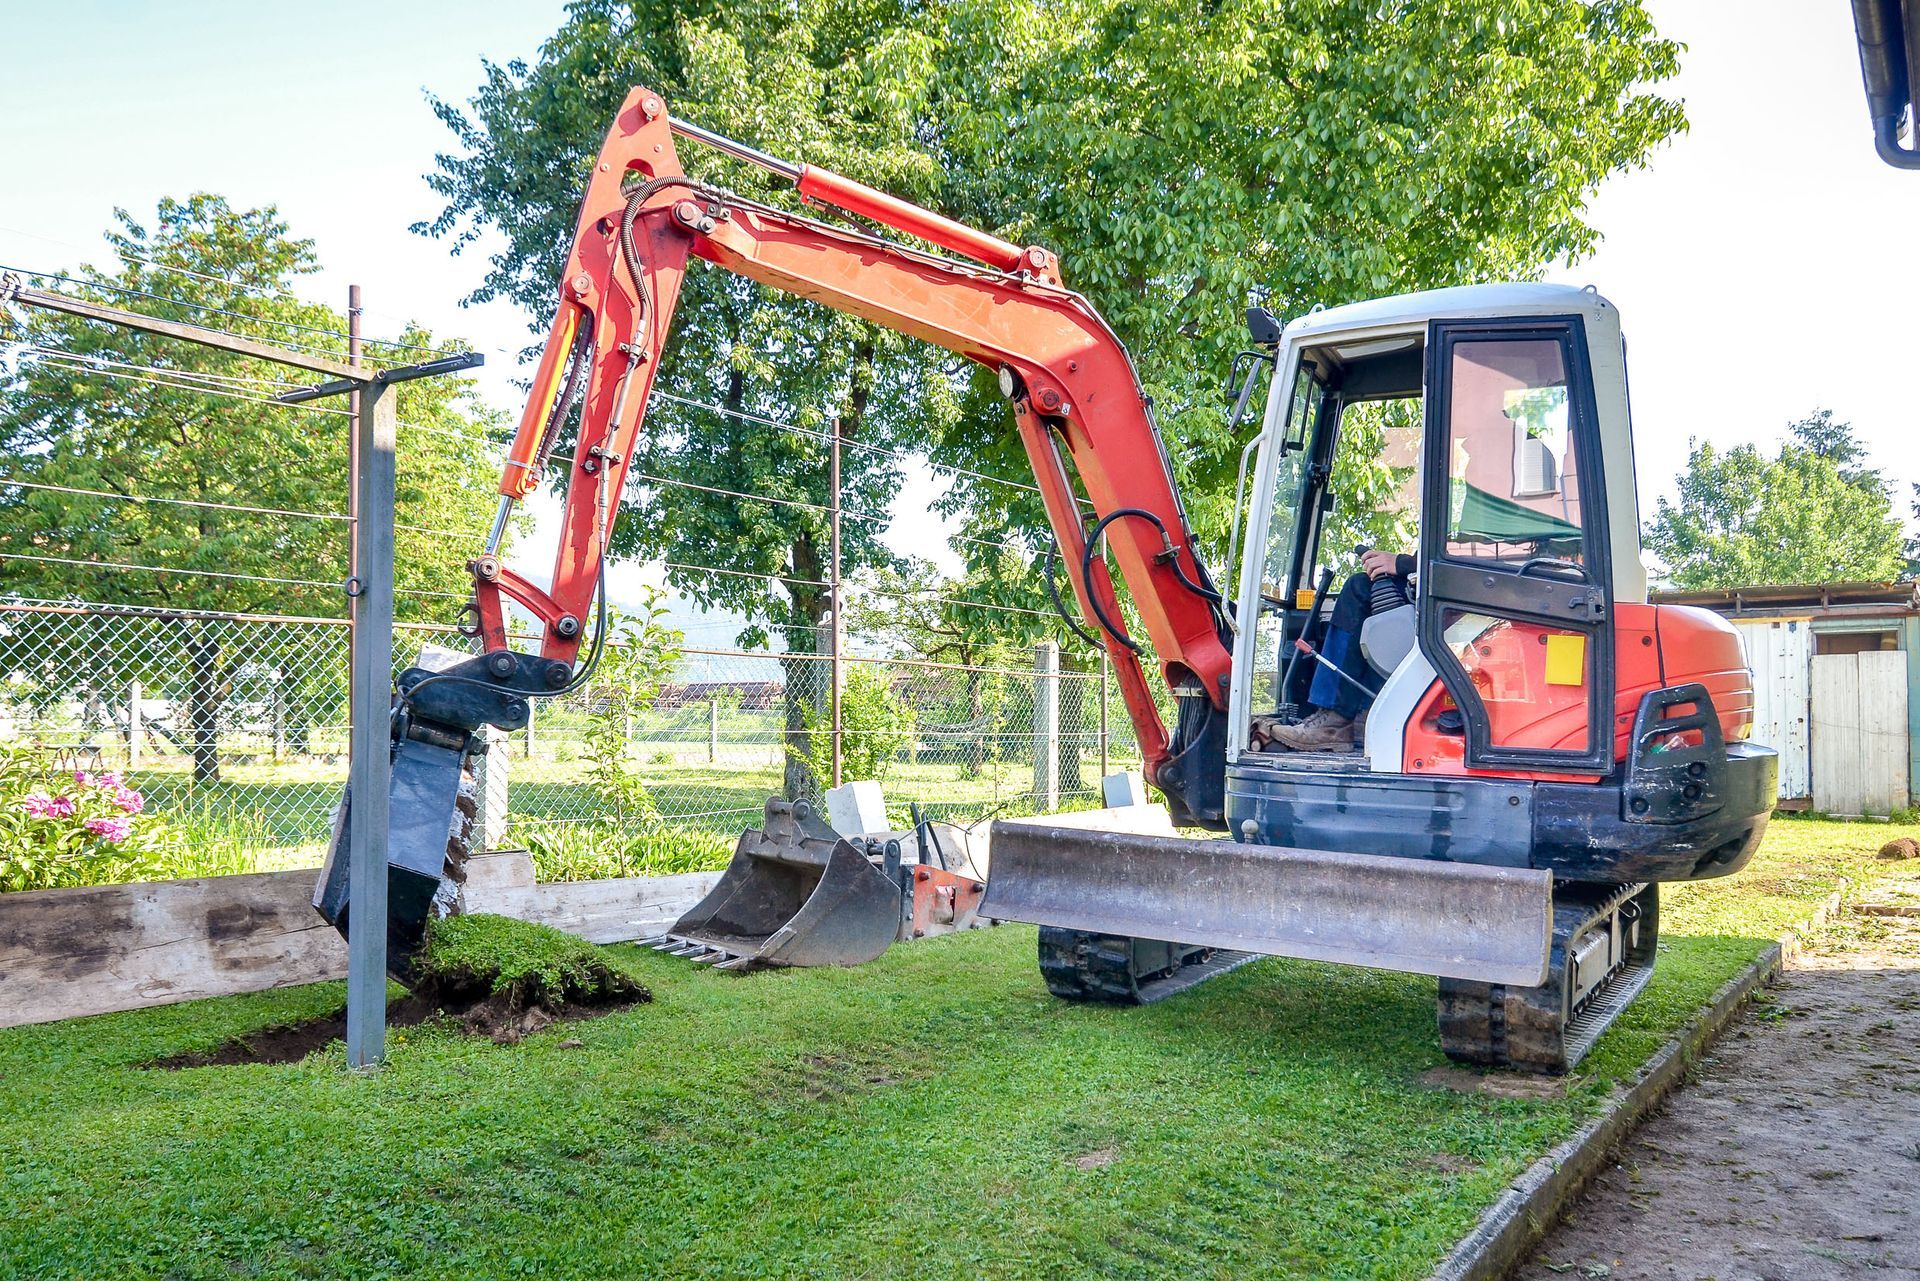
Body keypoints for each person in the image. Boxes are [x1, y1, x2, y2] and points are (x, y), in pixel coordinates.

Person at [1267, 548, 1415, 752]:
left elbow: (1467, 564)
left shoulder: (1468, 539)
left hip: (1447, 603)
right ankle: (1362, 714)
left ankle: (1335, 720)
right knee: (1367, 586)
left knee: (1359, 588)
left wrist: (1402, 564)